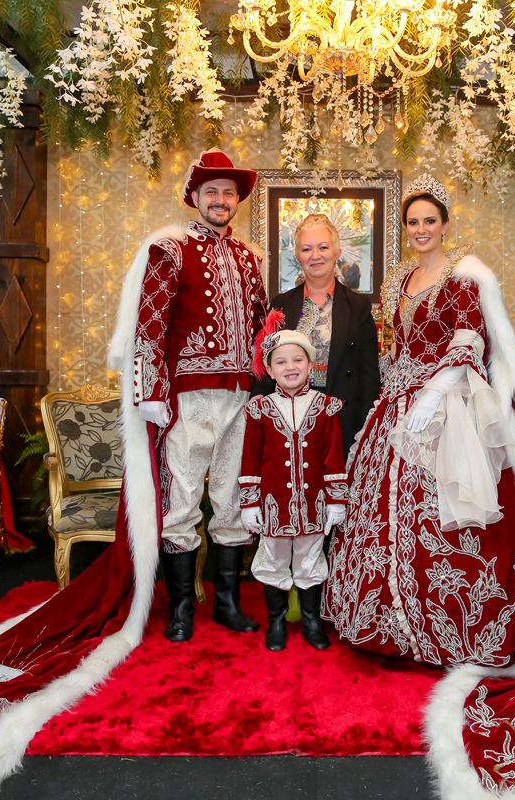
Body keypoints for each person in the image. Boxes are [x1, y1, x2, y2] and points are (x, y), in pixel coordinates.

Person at [322, 175, 515, 666]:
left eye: (429, 221)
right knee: (380, 508)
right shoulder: (398, 279)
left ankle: (464, 624)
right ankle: (386, 620)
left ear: (445, 224)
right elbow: (395, 345)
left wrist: (431, 396)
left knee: (456, 509)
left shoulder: (463, 276)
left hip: (446, 404)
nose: (421, 229)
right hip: (395, 402)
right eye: (413, 222)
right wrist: (388, 390)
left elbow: (468, 340)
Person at [116, 149, 267, 642]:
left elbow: (262, 326)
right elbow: (149, 326)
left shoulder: (249, 258)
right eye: (212, 192)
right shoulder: (171, 250)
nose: (221, 200)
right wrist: (150, 392)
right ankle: (181, 608)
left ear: (237, 200)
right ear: (195, 197)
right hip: (189, 397)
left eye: (229, 193)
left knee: (231, 499)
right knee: (181, 500)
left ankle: (226, 604)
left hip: (240, 396)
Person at [241, 321, 346, 651]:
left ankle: (312, 621)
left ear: (310, 365)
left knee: (310, 559)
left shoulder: (325, 406)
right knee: (273, 559)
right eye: (281, 361)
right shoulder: (260, 409)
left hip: (313, 503)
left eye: (298, 359)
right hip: (274, 505)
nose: (290, 367)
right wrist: (250, 503)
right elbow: (250, 459)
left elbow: (334, 456)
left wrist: (336, 501)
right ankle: (277, 620)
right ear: (270, 370)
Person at [252, 213, 381, 461]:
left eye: (323, 247)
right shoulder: (281, 304)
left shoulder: (358, 306)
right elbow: (266, 360)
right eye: (306, 249)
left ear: (337, 252)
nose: (315, 255)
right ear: (297, 255)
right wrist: (258, 398)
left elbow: (368, 373)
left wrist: (366, 425)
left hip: (342, 418)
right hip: (288, 417)